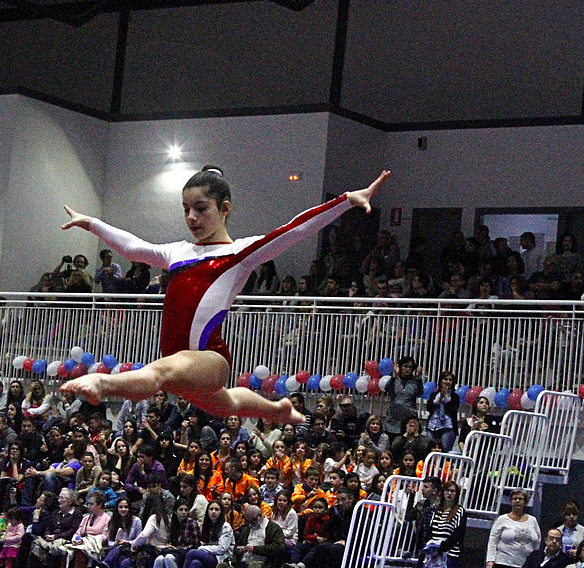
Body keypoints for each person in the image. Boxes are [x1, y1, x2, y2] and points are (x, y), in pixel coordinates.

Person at [59, 167, 390, 421]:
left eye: (201, 209)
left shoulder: (240, 252)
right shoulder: (177, 252)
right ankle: (279, 411)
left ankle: (100, 384)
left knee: (158, 373)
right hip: (179, 364)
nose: (191, 217)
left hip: (208, 358)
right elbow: (132, 248)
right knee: (226, 405)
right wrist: (91, 223)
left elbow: (294, 230)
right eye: (186, 209)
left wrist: (345, 201)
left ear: (224, 208)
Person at [212, 503, 287, 568]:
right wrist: (238, 549)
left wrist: (255, 549)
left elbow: (279, 547)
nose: (251, 523)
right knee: (221, 567)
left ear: (260, 515)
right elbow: (237, 546)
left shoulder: (273, 528)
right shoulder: (247, 530)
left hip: (265, 563)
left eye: (253, 520)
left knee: (253, 567)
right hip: (244, 562)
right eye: (249, 521)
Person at [165, 498, 234, 568]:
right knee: (195, 563)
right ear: (207, 511)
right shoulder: (207, 525)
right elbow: (203, 543)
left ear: (221, 512)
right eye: (211, 509)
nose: (213, 512)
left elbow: (221, 549)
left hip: (221, 559)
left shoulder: (225, 527)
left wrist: (202, 549)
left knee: (192, 553)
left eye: (217, 509)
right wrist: (203, 549)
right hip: (208, 557)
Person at [489, 491, 543, 568]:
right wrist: (490, 560)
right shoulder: (502, 519)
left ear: (525, 502)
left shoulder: (533, 520)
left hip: (524, 567)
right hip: (504, 564)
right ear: (510, 501)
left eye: (520, 499)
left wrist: (534, 562)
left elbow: (538, 541)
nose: (517, 501)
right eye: (515, 498)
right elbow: (493, 540)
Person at [418, 481, 467, 568]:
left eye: (452, 491)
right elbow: (430, 529)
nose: (449, 493)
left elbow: (458, 534)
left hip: (450, 555)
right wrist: (432, 547)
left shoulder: (460, 511)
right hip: (433, 554)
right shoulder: (436, 510)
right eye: (447, 490)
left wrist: (443, 547)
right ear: (443, 492)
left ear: (456, 494)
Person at [383, 356, 423, 438]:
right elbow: (386, 388)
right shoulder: (395, 379)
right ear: (400, 367)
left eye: (410, 367)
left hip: (408, 418)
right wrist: (394, 376)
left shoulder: (414, 381)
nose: (407, 369)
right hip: (393, 418)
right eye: (405, 366)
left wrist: (419, 378)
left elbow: (420, 393)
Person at [426, 371, 460, 452]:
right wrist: (439, 399)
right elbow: (429, 408)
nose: (447, 382)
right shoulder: (434, 394)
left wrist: (446, 398)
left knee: (444, 451)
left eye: (450, 380)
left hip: (447, 427)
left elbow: (453, 409)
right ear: (441, 381)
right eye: (445, 379)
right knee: (430, 450)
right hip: (432, 426)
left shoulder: (455, 396)